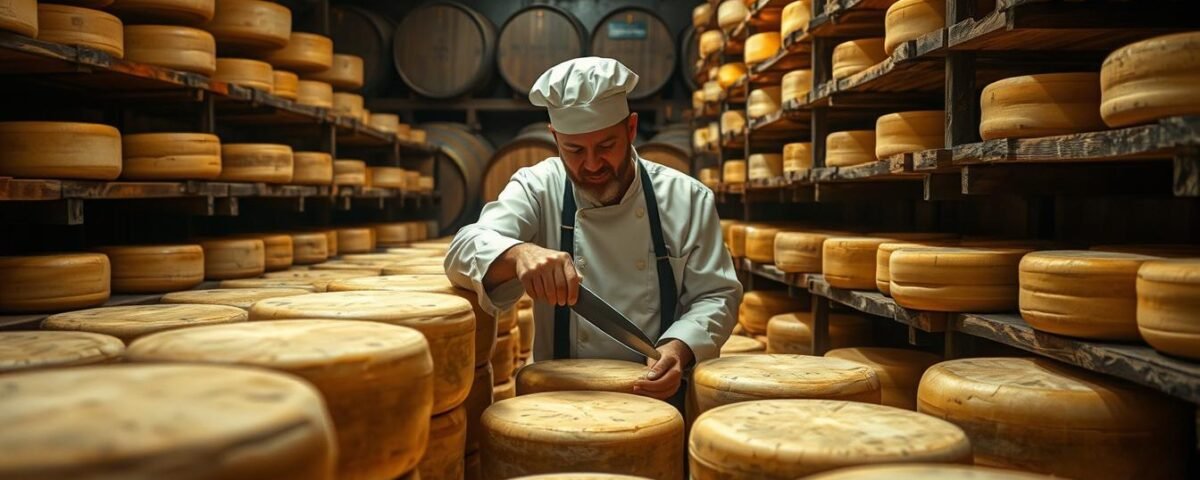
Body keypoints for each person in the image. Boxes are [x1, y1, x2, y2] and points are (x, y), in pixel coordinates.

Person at [445, 57, 741, 401]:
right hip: (558, 399)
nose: (591, 163)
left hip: (658, 397)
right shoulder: (538, 186)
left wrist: (682, 346)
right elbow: (463, 249)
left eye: (605, 146)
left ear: (630, 129)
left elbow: (717, 294)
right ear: (555, 138)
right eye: (574, 149)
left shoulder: (687, 199)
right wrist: (519, 254)